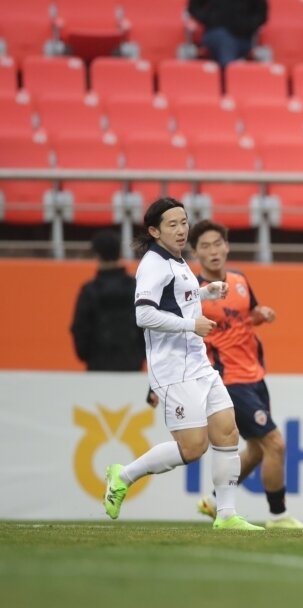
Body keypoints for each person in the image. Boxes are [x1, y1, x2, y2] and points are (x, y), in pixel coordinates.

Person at [102, 197, 262, 531]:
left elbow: (177, 299)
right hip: (173, 368)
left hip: (198, 362)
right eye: (172, 224)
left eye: (184, 222)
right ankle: (124, 475)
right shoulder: (153, 264)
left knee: (227, 430)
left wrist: (206, 294)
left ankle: (227, 515)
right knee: (192, 448)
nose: (180, 229)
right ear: (154, 230)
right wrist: (192, 325)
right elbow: (143, 314)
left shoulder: (177, 261)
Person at [187, 220, 303, 529]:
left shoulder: (239, 280)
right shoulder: (194, 293)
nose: (213, 251)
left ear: (227, 247)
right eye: (205, 246)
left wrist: (261, 315)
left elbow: (245, 316)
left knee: (256, 449)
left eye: (217, 244)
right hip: (228, 381)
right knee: (275, 444)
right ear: (195, 253)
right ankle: (278, 515)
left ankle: (214, 502)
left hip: (255, 375)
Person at [70, 229, 146, 372]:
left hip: (98, 365)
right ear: (119, 252)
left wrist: (87, 356)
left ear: (97, 255)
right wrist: (140, 355)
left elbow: (80, 328)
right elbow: (147, 324)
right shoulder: (135, 287)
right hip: (132, 365)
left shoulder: (89, 290)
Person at [187, 0, 268, 68]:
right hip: (215, 32)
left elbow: (261, 14)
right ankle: (228, 72)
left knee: (228, 42)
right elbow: (194, 7)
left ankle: (229, 73)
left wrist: (245, 25)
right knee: (224, 40)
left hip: (243, 36)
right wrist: (210, 18)